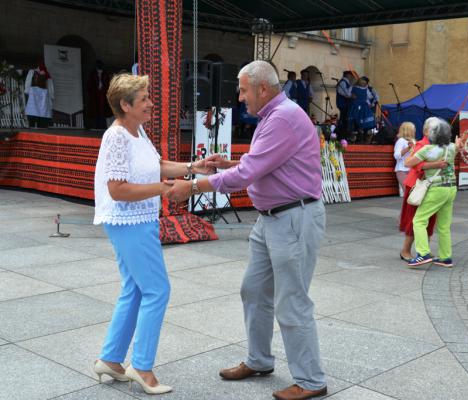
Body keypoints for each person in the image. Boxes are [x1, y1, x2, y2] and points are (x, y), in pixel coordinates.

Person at [166, 60, 328, 400]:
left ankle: (311, 381)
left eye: (242, 89)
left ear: (262, 89)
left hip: (292, 219)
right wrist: (232, 164)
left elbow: (249, 173)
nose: (239, 97)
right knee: (253, 290)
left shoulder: (282, 117)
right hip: (271, 219)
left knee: (292, 303)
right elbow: (263, 164)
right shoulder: (276, 115)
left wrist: (193, 187)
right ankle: (259, 360)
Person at [92, 73, 213, 394]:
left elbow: (155, 163)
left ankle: (111, 359)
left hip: (138, 219)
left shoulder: (137, 131)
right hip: (126, 220)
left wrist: (192, 168)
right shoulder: (116, 137)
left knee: (134, 289)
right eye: (143, 99)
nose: (150, 103)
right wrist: (165, 189)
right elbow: (117, 190)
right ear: (125, 105)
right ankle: (141, 367)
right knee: (157, 290)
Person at [405, 117, 458, 268]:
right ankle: (446, 257)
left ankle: (423, 253)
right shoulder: (452, 147)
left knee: (419, 220)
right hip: (451, 188)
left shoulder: (427, 149)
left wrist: (413, 149)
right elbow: (457, 148)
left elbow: (407, 163)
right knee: (444, 225)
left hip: (436, 189)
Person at [398, 118, 441, 262]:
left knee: (430, 219)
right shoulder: (421, 145)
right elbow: (416, 165)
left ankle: (424, 251)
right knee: (414, 220)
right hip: (417, 186)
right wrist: (438, 164)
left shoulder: (437, 145)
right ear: (426, 131)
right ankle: (405, 250)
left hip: (430, 186)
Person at [348, 78, 376, 144]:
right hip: (355, 106)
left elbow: (369, 97)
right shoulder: (353, 88)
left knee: (364, 121)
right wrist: (351, 96)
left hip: (363, 107)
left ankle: (363, 136)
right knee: (355, 121)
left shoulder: (366, 90)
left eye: (364, 83)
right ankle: (356, 137)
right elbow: (348, 94)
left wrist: (369, 103)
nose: (363, 84)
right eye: (362, 83)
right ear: (359, 82)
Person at [394, 122, 415, 197]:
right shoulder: (401, 141)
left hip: (411, 169)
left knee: (412, 193)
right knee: (408, 193)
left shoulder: (413, 140)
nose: (414, 131)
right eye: (413, 129)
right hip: (402, 170)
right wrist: (408, 148)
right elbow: (397, 156)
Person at [335, 71, 354, 140]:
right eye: (351, 75)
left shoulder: (346, 83)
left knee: (344, 119)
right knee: (343, 119)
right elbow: (343, 92)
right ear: (347, 75)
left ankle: (342, 134)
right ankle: (340, 134)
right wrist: (350, 96)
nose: (352, 77)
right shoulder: (343, 82)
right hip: (343, 103)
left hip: (345, 104)